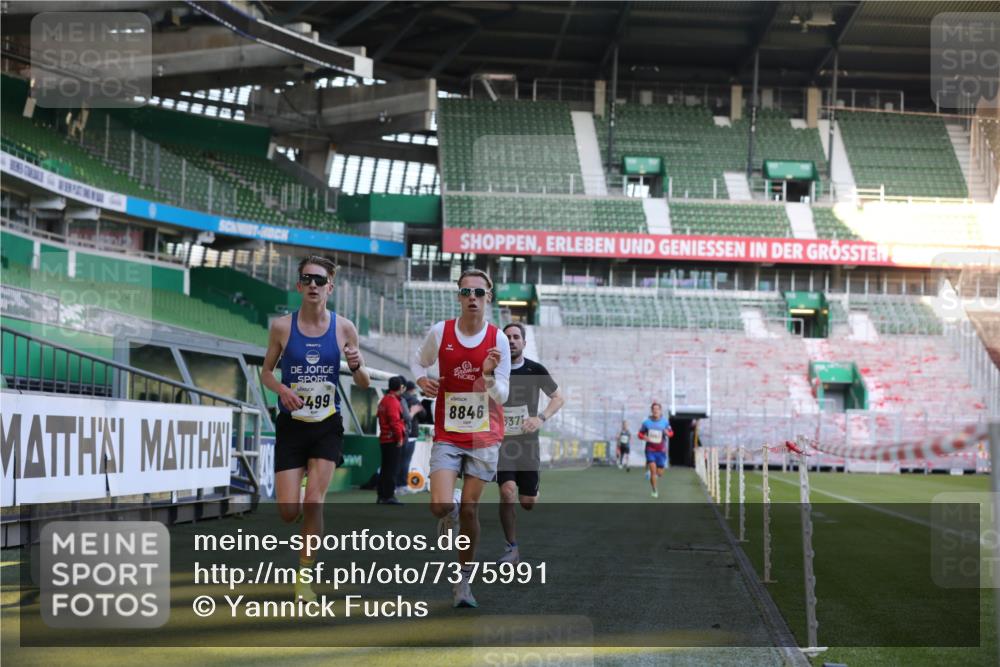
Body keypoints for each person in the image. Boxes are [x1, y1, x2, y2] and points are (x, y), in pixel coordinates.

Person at [260, 255, 370, 600]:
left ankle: (303, 577)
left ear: (330, 288)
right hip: (292, 425)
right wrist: (282, 389)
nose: (312, 285)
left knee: (313, 503)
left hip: (326, 424)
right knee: (288, 512)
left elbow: (364, 383)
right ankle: (303, 479)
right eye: (307, 279)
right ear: (298, 285)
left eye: (319, 281)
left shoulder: (344, 328)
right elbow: (266, 372)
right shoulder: (281, 327)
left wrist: (356, 366)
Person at [411, 268, 511, 608]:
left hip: (485, 436)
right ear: (458, 296)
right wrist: (420, 381)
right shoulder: (441, 332)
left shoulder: (497, 339)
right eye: (466, 292)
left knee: (471, 509)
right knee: (440, 504)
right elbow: (418, 362)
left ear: (489, 298)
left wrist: (487, 376)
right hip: (449, 433)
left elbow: (503, 395)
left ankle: (463, 584)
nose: (473, 298)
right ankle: (447, 508)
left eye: (479, 293)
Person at [496, 322, 564, 565]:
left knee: (527, 503)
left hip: (528, 446)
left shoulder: (535, 370)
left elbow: (558, 398)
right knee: (507, 492)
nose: (512, 341)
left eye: (516, 337)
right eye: (508, 338)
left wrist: (540, 418)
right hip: (502, 444)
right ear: (501, 343)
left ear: (524, 343)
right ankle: (511, 547)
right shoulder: (494, 371)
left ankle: (533, 490)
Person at [376, 376, 407, 505]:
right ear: (401, 387)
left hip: (385, 438)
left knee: (385, 468)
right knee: (392, 469)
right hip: (392, 439)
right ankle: (388, 496)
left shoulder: (384, 400)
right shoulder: (393, 402)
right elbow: (395, 422)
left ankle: (382, 495)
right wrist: (399, 438)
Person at [637, 402, 673, 499]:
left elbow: (671, 433)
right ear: (651, 410)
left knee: (659, 473)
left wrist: (667, 433)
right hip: (650, 450)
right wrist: (644, 437)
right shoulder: (646, 422)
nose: (655, 410)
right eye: (654, 409)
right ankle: (654, 490)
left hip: (661, 451)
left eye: (657, 409)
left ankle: (653, 474)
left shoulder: (665, 422)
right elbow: (639, 434)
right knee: (653, 471)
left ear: (660, 411)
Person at [396, 380, 425, 495]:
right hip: (410, 434)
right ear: (413, 389)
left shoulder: (397, 398)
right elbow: (423, 415)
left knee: (396, 461)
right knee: (405, 461)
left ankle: (394, 485)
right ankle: (402, 485)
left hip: (397, 433)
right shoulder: (414, 400)